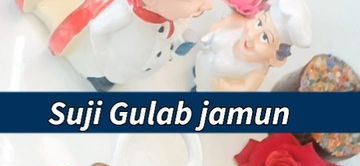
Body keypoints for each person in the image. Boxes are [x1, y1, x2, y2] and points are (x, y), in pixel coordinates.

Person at [17, 0, 213, 89]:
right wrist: (103, 59)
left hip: (138, 63)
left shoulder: (167, 16)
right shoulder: (124, 15)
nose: (208, 5)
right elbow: (98, 30)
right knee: (103, 78)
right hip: (107, 67)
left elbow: (170, 30)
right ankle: (101, 80)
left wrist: (175, 43)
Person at [194, 0, 312, 91]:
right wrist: (214, 32)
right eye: (259, 23)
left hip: (212, 86)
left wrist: (225, 87)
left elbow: (245, 88)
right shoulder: (240, 27)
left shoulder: (256, 70)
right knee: (199, 78)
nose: (251, 35)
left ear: (275, 57)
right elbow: (223, 24)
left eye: (265, 38)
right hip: (204, 68)